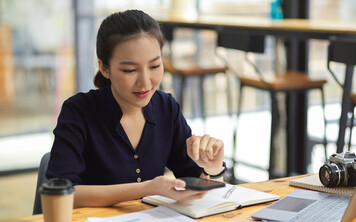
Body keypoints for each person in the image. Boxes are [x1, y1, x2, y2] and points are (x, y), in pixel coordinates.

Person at [46, 9, 226, 208]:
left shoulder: (166, 107)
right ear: (104, 68)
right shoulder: (78, 111)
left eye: (155, 66)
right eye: (130, 70)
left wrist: (213, 169)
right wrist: (147, 189)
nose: (145, 82)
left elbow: (196, 182)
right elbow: (62, 194)